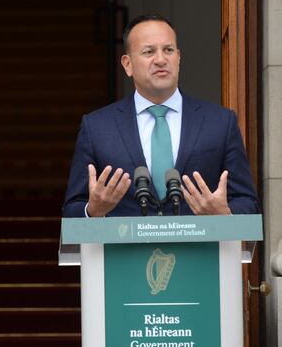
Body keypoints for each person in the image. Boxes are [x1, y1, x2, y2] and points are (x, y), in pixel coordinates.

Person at [62, 14, 258, 217]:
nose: (161, 59)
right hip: (125, 248)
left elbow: (248, 203)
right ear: (127, 64)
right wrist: (93, 210)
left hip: (199, 248)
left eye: (168, 50)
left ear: (179, 58)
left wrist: (225, 214)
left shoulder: (220, 123)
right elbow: (72, 210)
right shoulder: (97, 128)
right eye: (149, 52)